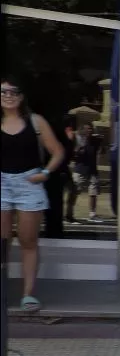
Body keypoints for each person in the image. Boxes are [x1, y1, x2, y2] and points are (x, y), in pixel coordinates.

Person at [1, 75, 66, 313]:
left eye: (13, 92)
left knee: (28, 240)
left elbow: (57, 152)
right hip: (1, 184)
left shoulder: (36, 122)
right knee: (2, 240)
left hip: (29, 183)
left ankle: (28, 294)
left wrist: (45, 173)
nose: (8, 96)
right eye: (4, 92)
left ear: (21, 96)